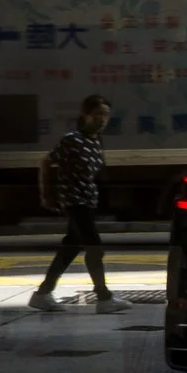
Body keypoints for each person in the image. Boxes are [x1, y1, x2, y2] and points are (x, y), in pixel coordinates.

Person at [31, 96, 129, 312]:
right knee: (95, 248)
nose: (102, 119)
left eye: (105, 115)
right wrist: (46, 195)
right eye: (97, 114)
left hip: (88, 201)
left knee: (69, 249)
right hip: (75, 201)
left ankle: (43, 293)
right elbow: (47, 162)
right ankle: (103, 298)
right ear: (85, 115)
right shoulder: (71, 140)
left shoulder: (96, 141)